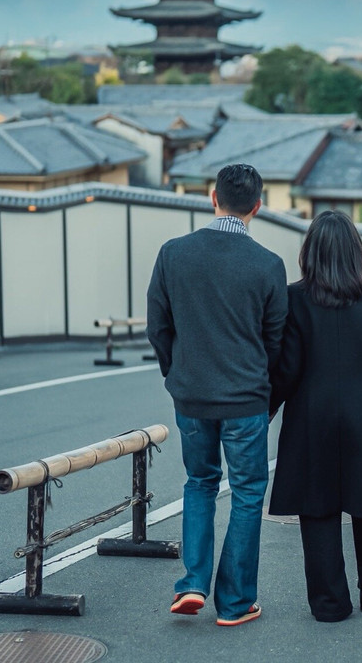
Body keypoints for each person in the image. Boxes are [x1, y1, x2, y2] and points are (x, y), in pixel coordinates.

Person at [146, 163, 287, 625]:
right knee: (247, 492)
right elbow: (274, 341)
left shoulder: (174, 253)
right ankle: (235, 602)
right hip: (245, 399)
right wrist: (262, 388)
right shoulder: (268, 264)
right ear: (257, 207)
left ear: (213, 197)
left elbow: (158, 327)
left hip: (192, 397)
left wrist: (177, 375)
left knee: (199, 483)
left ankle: (191, 584)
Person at [268, 210, 362, 623]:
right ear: (356, 250)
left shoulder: (295, 297)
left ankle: (330, 602)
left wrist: (268, 405)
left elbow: (288, 365)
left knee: (317, 509)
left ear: (309, 252)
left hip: (311, 418)